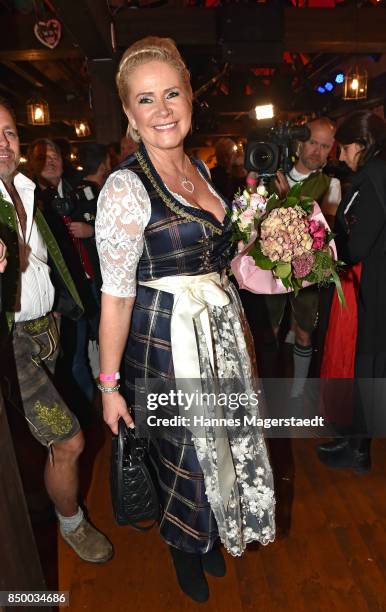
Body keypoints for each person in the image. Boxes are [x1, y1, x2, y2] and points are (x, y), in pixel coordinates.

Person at [95, 37, 275, 603]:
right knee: (184, 452)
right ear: (129, 113)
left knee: (220, 441)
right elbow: (117, 297)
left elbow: (221, 254)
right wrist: (108, 386)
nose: (163, 109)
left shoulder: (199, 166)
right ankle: (185, 550)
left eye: (172, 94)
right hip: (165, 342)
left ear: (191, 98)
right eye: (146, 100)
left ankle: (213, 533)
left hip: (219, 335)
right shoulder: (125, 188)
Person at [0, 97, 112, 563]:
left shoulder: (27, 191)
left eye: (7, 132)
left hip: (51, 329)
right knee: (70, 440)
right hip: (12, 344)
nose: (2, 144)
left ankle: (36, 495)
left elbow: (50, 258)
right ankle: (72, 523)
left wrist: (66, 305)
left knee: (44, 437)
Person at [316, 110, 386, 473]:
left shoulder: (373, 179)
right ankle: (351, 438)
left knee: (362, 370)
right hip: (369, 289)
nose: (339, 155)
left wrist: (320, 246)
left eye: (344, 148)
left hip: (371, 293)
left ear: (364, 145)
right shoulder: (372, 176)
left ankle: (358, 451)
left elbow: (357, 245)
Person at [265, 117, 341, 401]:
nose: (317, 152)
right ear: (300, 142)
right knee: (270, 329)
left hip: (307, 269)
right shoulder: (271, 174)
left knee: (304, 332)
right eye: (312, 143)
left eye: (324, 146)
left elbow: (325, 234)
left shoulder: (330, 184)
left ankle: (297, 390)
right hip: (270, 267)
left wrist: (286, 200)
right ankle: (269, 385)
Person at [28, 139, 100, 416]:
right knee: (74, 358)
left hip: (94, 283)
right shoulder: (30, 198)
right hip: (63, 296)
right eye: (43, 156)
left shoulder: (81, 190)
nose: (50, 161)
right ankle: (84, 420)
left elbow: (111, 229)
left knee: (107, 345)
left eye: (55, 155)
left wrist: (91, 230)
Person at [211, 137, 236, 201]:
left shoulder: (239, 172)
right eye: (226, 154)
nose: (230, 157)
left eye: (232, 153)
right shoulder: (211, 174)